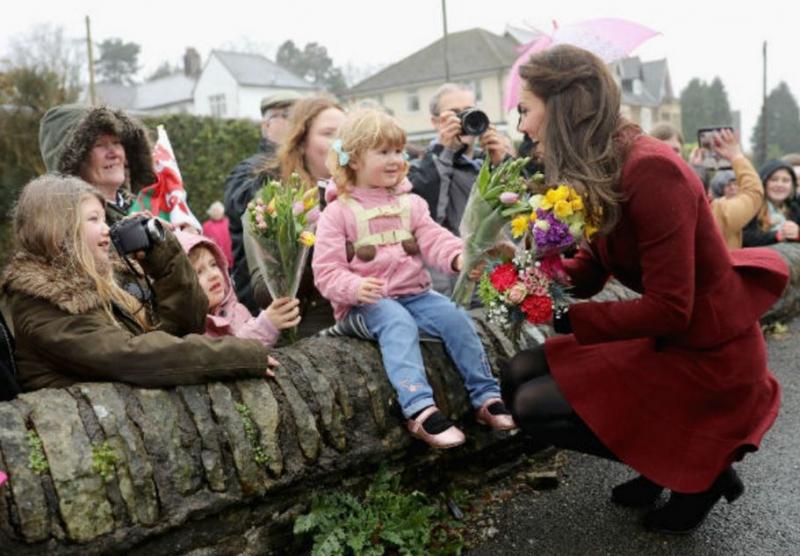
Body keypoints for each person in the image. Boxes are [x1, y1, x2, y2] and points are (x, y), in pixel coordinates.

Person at [503, 45, 788, 534]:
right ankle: (660, 462)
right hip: (668, 339)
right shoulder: (603, 163)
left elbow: (671, 308)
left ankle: (702, 478)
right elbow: (595, 266)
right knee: (516, 374)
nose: (522, 126)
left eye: (526, 110)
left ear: (565, 106)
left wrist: (568, 319)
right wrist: (539, 272)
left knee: (533, 406)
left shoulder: (652, 170)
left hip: (705, 352)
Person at [312, 109, 515, 449]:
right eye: (383, 152)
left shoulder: (411, 204)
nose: (395, 160)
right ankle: (419, 408)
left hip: (414, 295)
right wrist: (355, 288)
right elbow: (326, 271)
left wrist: (458, 257)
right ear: (354, 159)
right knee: (395, 321)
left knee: (455, 317)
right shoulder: (338, 212)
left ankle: (486, 395)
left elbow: (435, 239)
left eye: (398, 151)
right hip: (363, 306)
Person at [1, 175, 279, 391]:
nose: (107, 229)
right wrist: (240, 357)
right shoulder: (41, 303)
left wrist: (164, 257)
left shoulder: (101, 285)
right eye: (93, 219)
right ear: (56, 229)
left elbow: (183, 328)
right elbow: (135, 357)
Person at [38, 104, 207, 336]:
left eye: (117, 142)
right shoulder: (62, 237)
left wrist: (173, 251)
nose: (115, 153)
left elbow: (193, 321)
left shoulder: (145, 212)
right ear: (72, 160)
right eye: (99, 145)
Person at [231, 96, 346, 339]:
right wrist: (310, 242)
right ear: (302, 142)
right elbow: (264, 290)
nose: (340, 142)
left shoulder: (370, 192)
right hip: (312, 337)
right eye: (328, 133)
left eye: (346, 133)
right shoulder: (273, 201)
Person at [408, 83, 507, 294]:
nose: (465, 118)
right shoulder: (422, 168)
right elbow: (430, 215)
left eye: (470, 110)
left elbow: (514, 219)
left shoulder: (486, 161)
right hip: (456, 283)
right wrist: (444, 152)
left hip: (499, 280)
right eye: (455, 113)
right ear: (435, 122)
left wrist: (501, 164)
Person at [224, 93, 301, 292]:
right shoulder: (248, 170)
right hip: (261, 294)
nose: (294, 123)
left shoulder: (310, 165)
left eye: (298, 116)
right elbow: (242, 206)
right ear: (265, 125)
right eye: (285, 116)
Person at [175, 230, 300, 346]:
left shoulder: (237, 310)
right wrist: (266, 326)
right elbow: (226, 357)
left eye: (213, 264)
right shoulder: (192, 332)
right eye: (198, 272)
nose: (213, 275)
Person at [701, 129, 764, 249]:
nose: (733, 188)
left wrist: (692, 168)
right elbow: (753, 192)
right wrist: (736, 156)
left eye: (736, 184)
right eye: (728, 185)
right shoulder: (718, 213)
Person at [742, 160, 800, 246]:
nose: (780, 184)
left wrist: (798, 234)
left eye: (785, 180)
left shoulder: (795, 208)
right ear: (763, 182)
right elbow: (743, 238)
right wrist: (775, 236)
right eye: (774, 179)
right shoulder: (751, 207)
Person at [202, 201, 234, 269]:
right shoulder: (206, 226)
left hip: (232, 256)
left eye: (218, 210)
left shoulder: (229, 222)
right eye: (214, 211)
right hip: (216, 258)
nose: (216, 213)